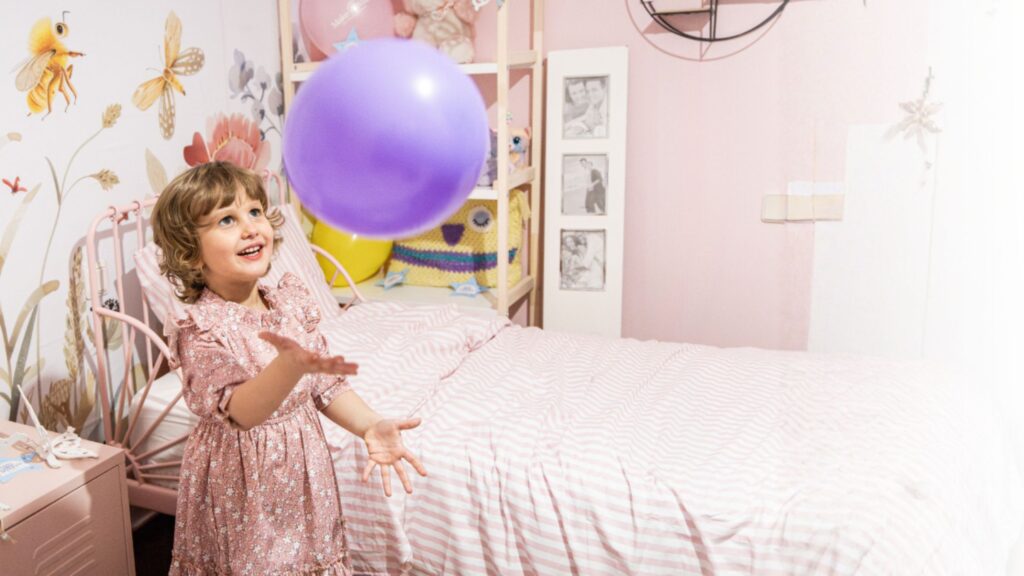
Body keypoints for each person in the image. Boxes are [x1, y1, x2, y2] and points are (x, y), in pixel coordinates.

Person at [151, 161, 426, 575]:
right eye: (227, 219)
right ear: (190, 249)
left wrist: (369, 425)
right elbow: (241, 411)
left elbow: (326, 386)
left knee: (307, 559)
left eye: (255, 212)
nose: (250, 228)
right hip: (242, 489)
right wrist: (290, 363)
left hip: (302, 474)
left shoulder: (287, 302)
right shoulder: (201, 330)